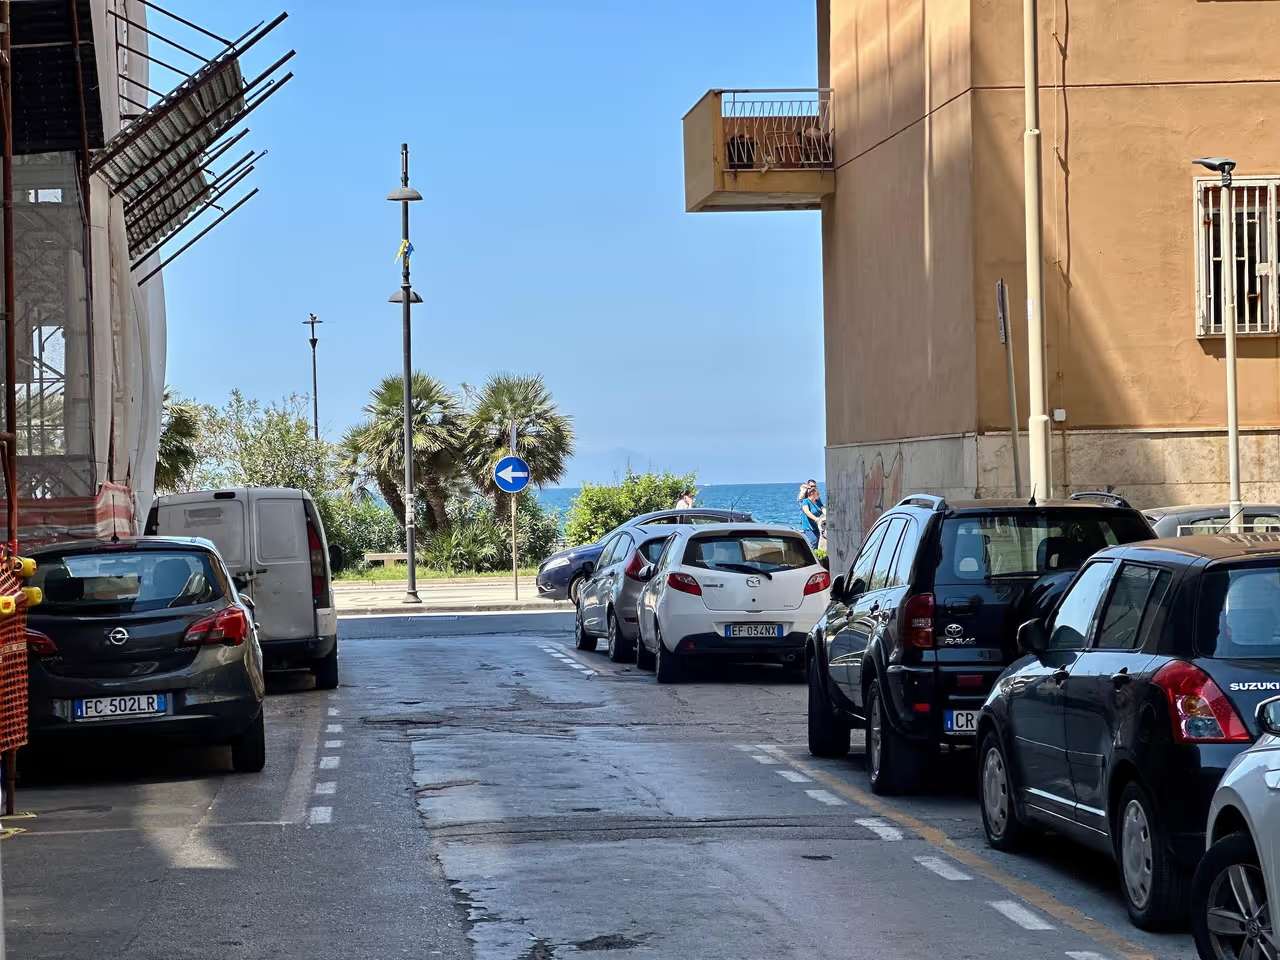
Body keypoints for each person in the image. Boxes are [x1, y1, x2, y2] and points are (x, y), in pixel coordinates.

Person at [800, 481, 825, 549]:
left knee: (817, 543)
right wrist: (816, 519)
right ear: (812, 493)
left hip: (816, 526)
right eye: (818, 494)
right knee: (813, 542)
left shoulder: (817, 501)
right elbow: (807, 512)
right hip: (808, 527)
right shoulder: (805, 501)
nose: (819, 495)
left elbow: (822, 508)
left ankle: (815, 558)